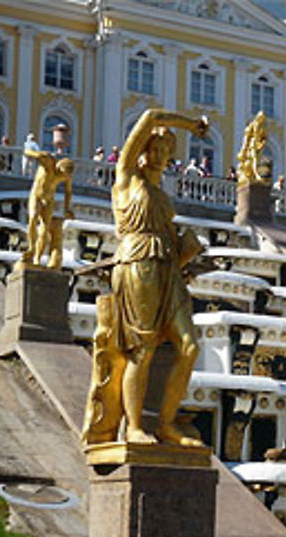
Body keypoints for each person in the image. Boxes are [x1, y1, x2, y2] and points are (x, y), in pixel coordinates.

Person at [81, 108, 209, 447]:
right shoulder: (125, 179)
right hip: (138, 265)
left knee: (190, 347)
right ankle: (134, 427)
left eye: (166, 151)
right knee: (143, 350)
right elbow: (150, 116)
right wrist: (188, 125)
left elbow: (171, 247)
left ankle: (166, 424)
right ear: (140, 153)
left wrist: (187, 250)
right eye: (154, 148)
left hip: (169, 270)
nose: (159, 155)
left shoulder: (164, 198)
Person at [21, 149, 74, 268]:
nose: (61, 177)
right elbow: (26, 151)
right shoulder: (48, 163)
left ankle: (37, 259)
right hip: (36, 196)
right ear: (59, 167)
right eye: (61, 174)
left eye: (64, 176)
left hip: (49, 199)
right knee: (33, 218)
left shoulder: (66, 176)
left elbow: (68, 192)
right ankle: (31, 248)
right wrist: (38, 154)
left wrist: (67, 208)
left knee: (45, 229)